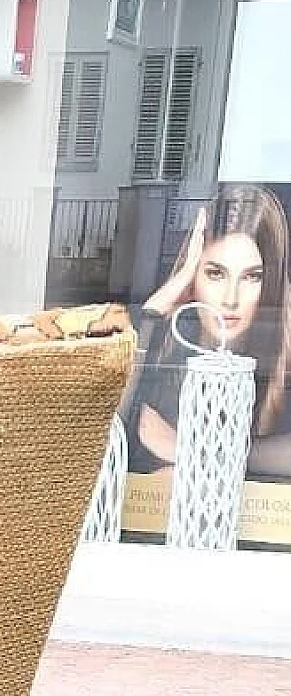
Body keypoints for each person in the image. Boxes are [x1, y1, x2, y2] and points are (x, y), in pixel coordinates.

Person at [122, 185, 291, 483]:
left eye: (252, 277)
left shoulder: (282, 361)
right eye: (215, 273)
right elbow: (100, 433)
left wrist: (193, 451)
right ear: (192, 276)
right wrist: (152, 313)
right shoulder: (164, 356)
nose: (230, 299)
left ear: (272, 281)